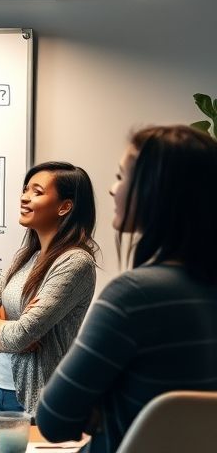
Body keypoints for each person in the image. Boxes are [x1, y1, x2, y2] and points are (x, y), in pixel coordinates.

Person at [38, 126, 217, 452]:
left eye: (121, 177)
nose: (111, 189)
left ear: (154, 191)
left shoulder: (135, 296)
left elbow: (53, 419)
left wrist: (102, 405)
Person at [0, 161, 98, 417]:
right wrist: (7, 337)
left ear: (65, 207)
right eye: (26, 189)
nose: (25, 198)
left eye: (37, 192)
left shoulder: (75, 262)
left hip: (37, 398)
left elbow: (22, 335)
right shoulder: (26, 258)